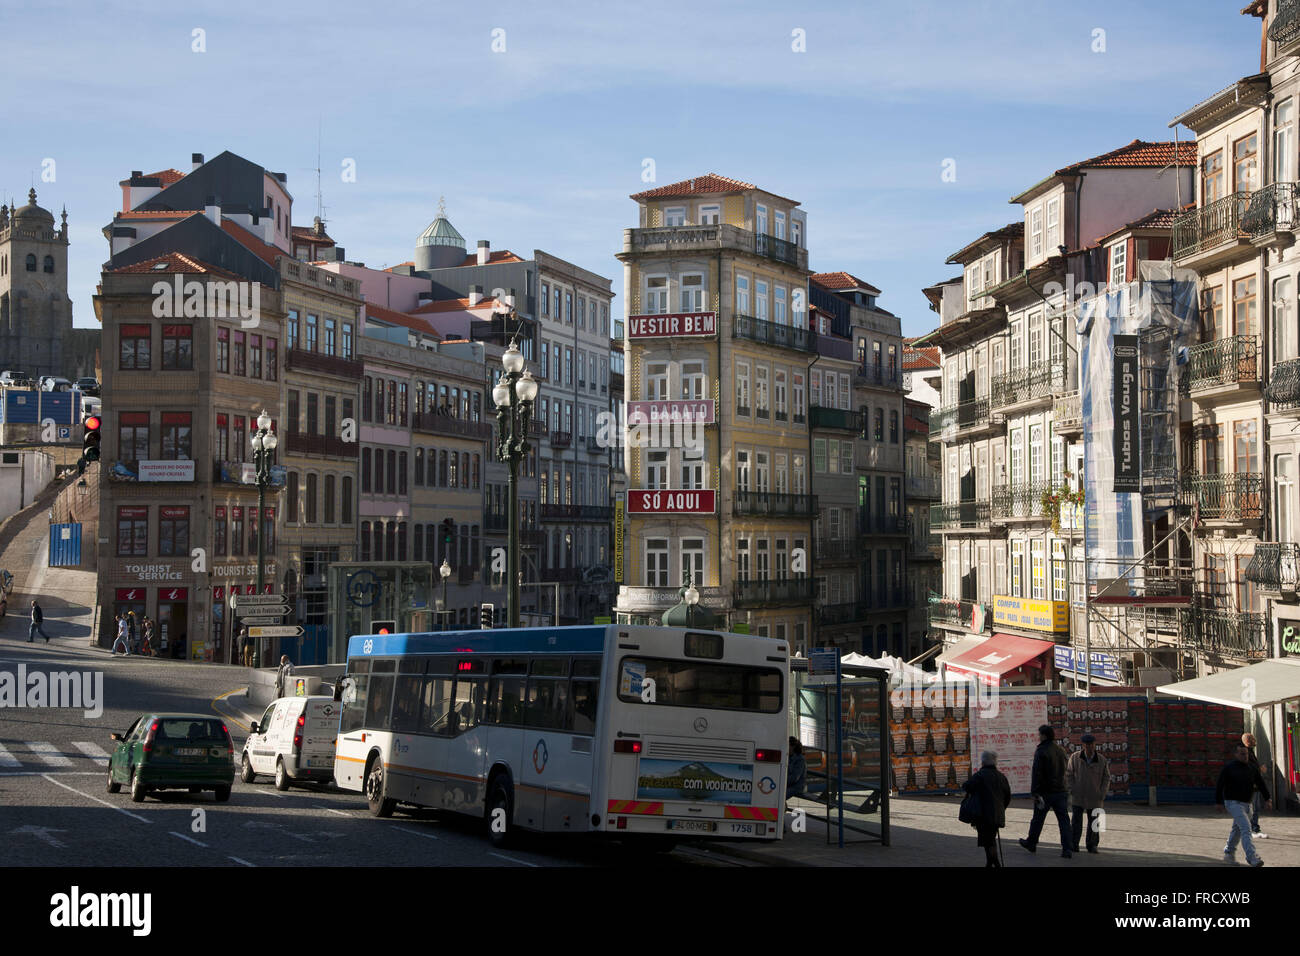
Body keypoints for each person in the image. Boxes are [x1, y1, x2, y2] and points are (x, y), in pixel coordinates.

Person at [1020, 724, 1074, 858]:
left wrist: (1035, 792)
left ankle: (1032, 843)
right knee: (1064, 821)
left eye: (1039, 734)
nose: (1038, 737)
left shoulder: (1042, 751)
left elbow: (1037, 773)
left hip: (1045, 792)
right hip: (1061, 791)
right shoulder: (1060, 750)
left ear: (1043, 735)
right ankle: (1067, 848)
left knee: (1038, 819)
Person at [1217, 744, 1270, 867]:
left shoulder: (1252, 768)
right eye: (1242, 754)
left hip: (1247, 804)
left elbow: (1260, 783)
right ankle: (1252, 857)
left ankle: (1228, 852)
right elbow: (1220, 785)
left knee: (1237, 830)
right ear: (1236, 755)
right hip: (1233, 802)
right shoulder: (1229, 768)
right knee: (1246, 828)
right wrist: (1219, 802)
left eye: (1246, 754)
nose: (1245, 756)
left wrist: (1268, 799)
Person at [964, 750, 1012, 867]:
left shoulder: (980, 775)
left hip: (983, 814)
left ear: (983, 762)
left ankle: (995, 863)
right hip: (997, 814)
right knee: (990, 840)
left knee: (988, 841)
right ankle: (990, 863)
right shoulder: (1001, 777)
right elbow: (1008, 796)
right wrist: (1001, 808)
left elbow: (967, 786)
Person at [1066, 733, 1111, 854]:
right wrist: (1072, 789)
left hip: (1095, 796)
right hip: (1078, 795)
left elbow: (1107, 778)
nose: (1089, 747)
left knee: (1095, 822)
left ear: (1095, 745)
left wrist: (1102, 793)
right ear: (1083, 745)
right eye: (1087, 745)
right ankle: (1074, 844)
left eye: (1091, 744)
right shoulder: (1075, 757)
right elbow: (1069, 774)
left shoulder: (1101, 760)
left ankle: (1093, 845)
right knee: (1076, 821)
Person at [1242, 733, 1269, 840]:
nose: (1255, 740)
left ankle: (1254, 828)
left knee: (1255, 808)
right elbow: (1249, 768)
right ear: (1248, 741)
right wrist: (1260, 769)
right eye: (1252, 739)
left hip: (1254, 785)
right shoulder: (1246, 753)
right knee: (1253, 808)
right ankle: (1253, 829)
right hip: (1251, 786)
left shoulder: (1250, 752)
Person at [786, 736, 807, 806]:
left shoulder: (800, 759)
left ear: (793, 747)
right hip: (789, 785)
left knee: (780, 795)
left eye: (787, 746)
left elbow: (795, 777)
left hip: (797, 786)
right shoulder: (788, 756)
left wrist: (783, 782)